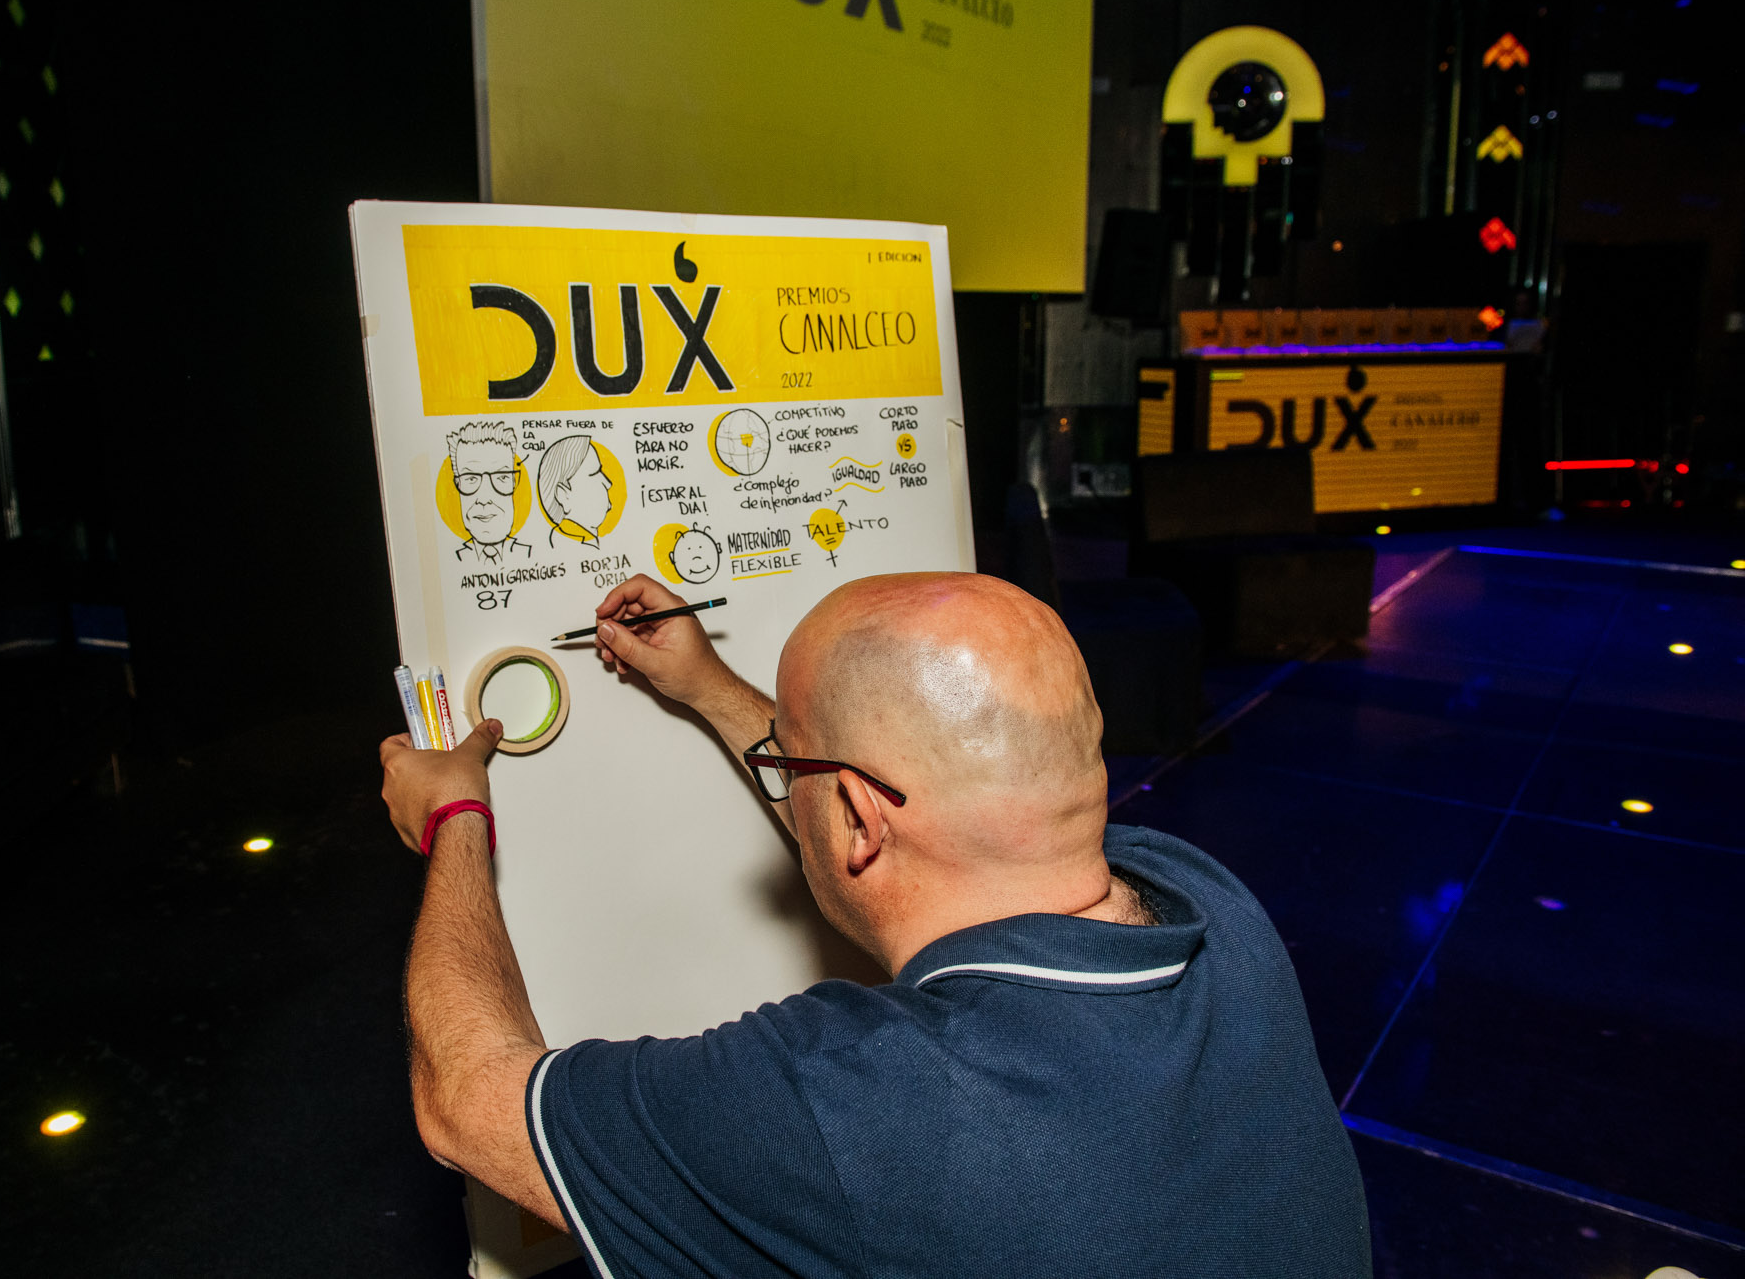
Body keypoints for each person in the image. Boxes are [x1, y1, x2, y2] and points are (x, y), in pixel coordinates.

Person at [380, 571, 1371, 1278]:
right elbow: (910, 832)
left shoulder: (853, 1105)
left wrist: (454, 816)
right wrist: (711, 686)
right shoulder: (1208, 900)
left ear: (856, 817)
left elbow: (465, 1103)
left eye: (794, 766)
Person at [448, 422, 532, 565]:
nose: (484, 498)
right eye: (471, 479)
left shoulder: (530, 554)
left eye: (501, 477)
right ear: (458, 484)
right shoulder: (454, 560)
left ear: (513, 481)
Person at [536, 433, 614, 546]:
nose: (608, 483)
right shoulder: (568, 546)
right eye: (595, 473)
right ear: (564, 496)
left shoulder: (585, 543)